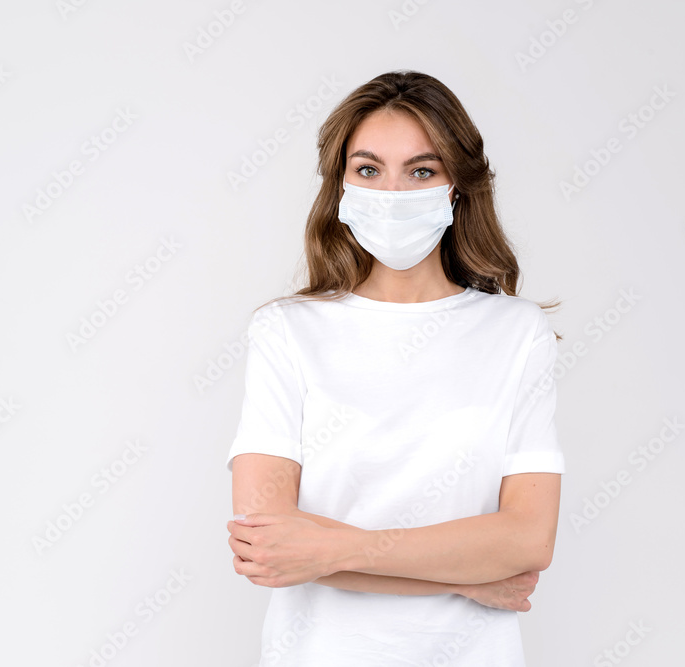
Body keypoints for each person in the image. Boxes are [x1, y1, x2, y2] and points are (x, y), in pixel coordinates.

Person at [225, 70, 565, 666]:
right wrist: (464, 576)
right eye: (368, 169)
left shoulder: (516, 333)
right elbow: (268, 544)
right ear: (341, 185)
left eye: (421, 170)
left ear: (456, 185)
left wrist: (326, 548)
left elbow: (528, 539)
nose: (393, 191)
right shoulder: (287, 331)